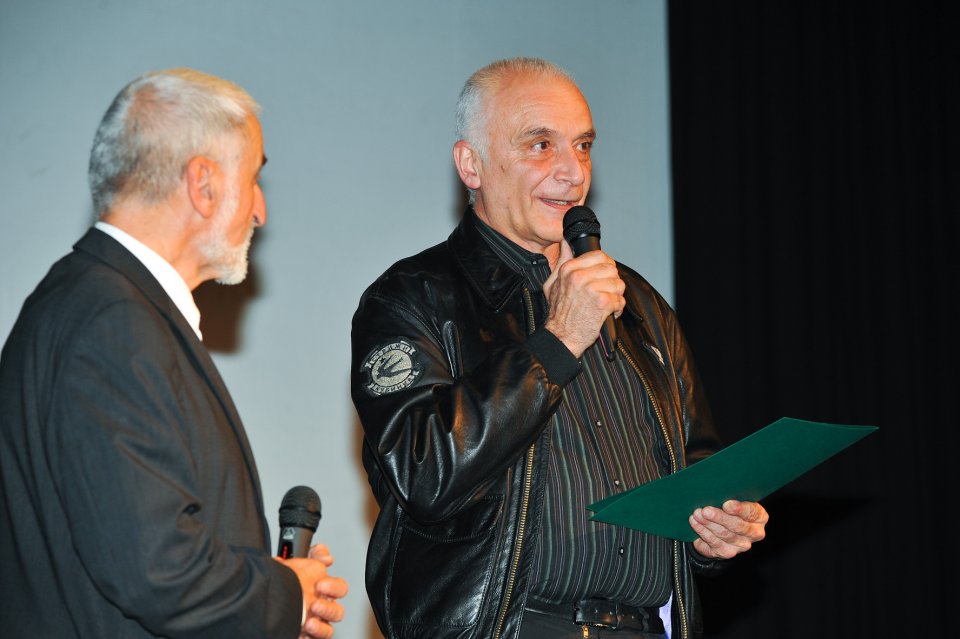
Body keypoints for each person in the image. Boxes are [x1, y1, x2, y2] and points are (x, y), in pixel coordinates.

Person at [350, 57, 768, 639]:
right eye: (541, 145)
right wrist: (560, 339)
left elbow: (696, 471)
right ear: (471, 164)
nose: (573, 173)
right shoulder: (411, 298)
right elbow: (425, 474)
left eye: (583, 146)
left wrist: (714, 532)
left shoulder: (640, 305)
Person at [0, 69, 347, 638]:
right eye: (254, 179)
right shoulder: (112, 323)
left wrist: (270, 595)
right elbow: (156, 569)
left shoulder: (93, 302)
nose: (260, 210)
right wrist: (285, 593)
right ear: (203, 184)